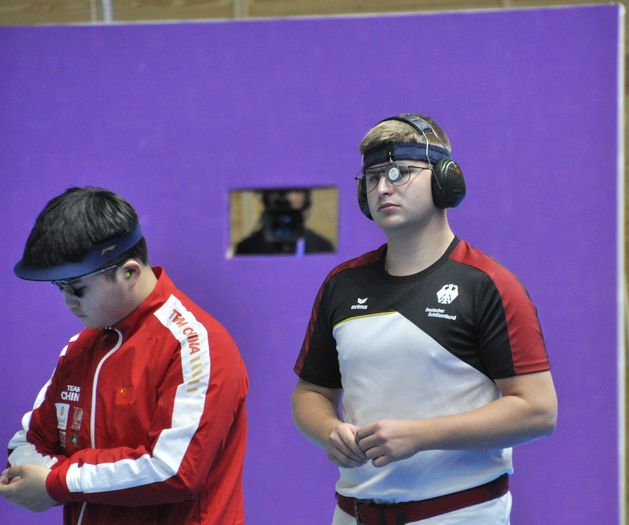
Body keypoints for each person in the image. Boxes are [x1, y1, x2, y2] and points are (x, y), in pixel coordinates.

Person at [291, 114, 558, 524]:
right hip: (353, 514)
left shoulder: (488, 285)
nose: (383, 187)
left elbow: (538, 410)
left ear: (444, 181)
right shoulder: (341, 285)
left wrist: (419, 435)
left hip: (458, 514)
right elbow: (310, 393)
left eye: (400, 172)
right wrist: (327, 429)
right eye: (373, 176)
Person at [0, 187, 248, 525]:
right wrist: (53, 479)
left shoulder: (194, 345)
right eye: (58, 288)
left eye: (76, 289)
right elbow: (28, 442)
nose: (67, 303)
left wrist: (58, 482)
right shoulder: (80, 348)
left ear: (128, 272)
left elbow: (172, 469)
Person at [234, 188, 334, 256]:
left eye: (295, 190)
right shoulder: (247, 248)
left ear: (306, 198)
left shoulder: (322, 247)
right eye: (277, 190)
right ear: (266, 197)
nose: (286, 198)